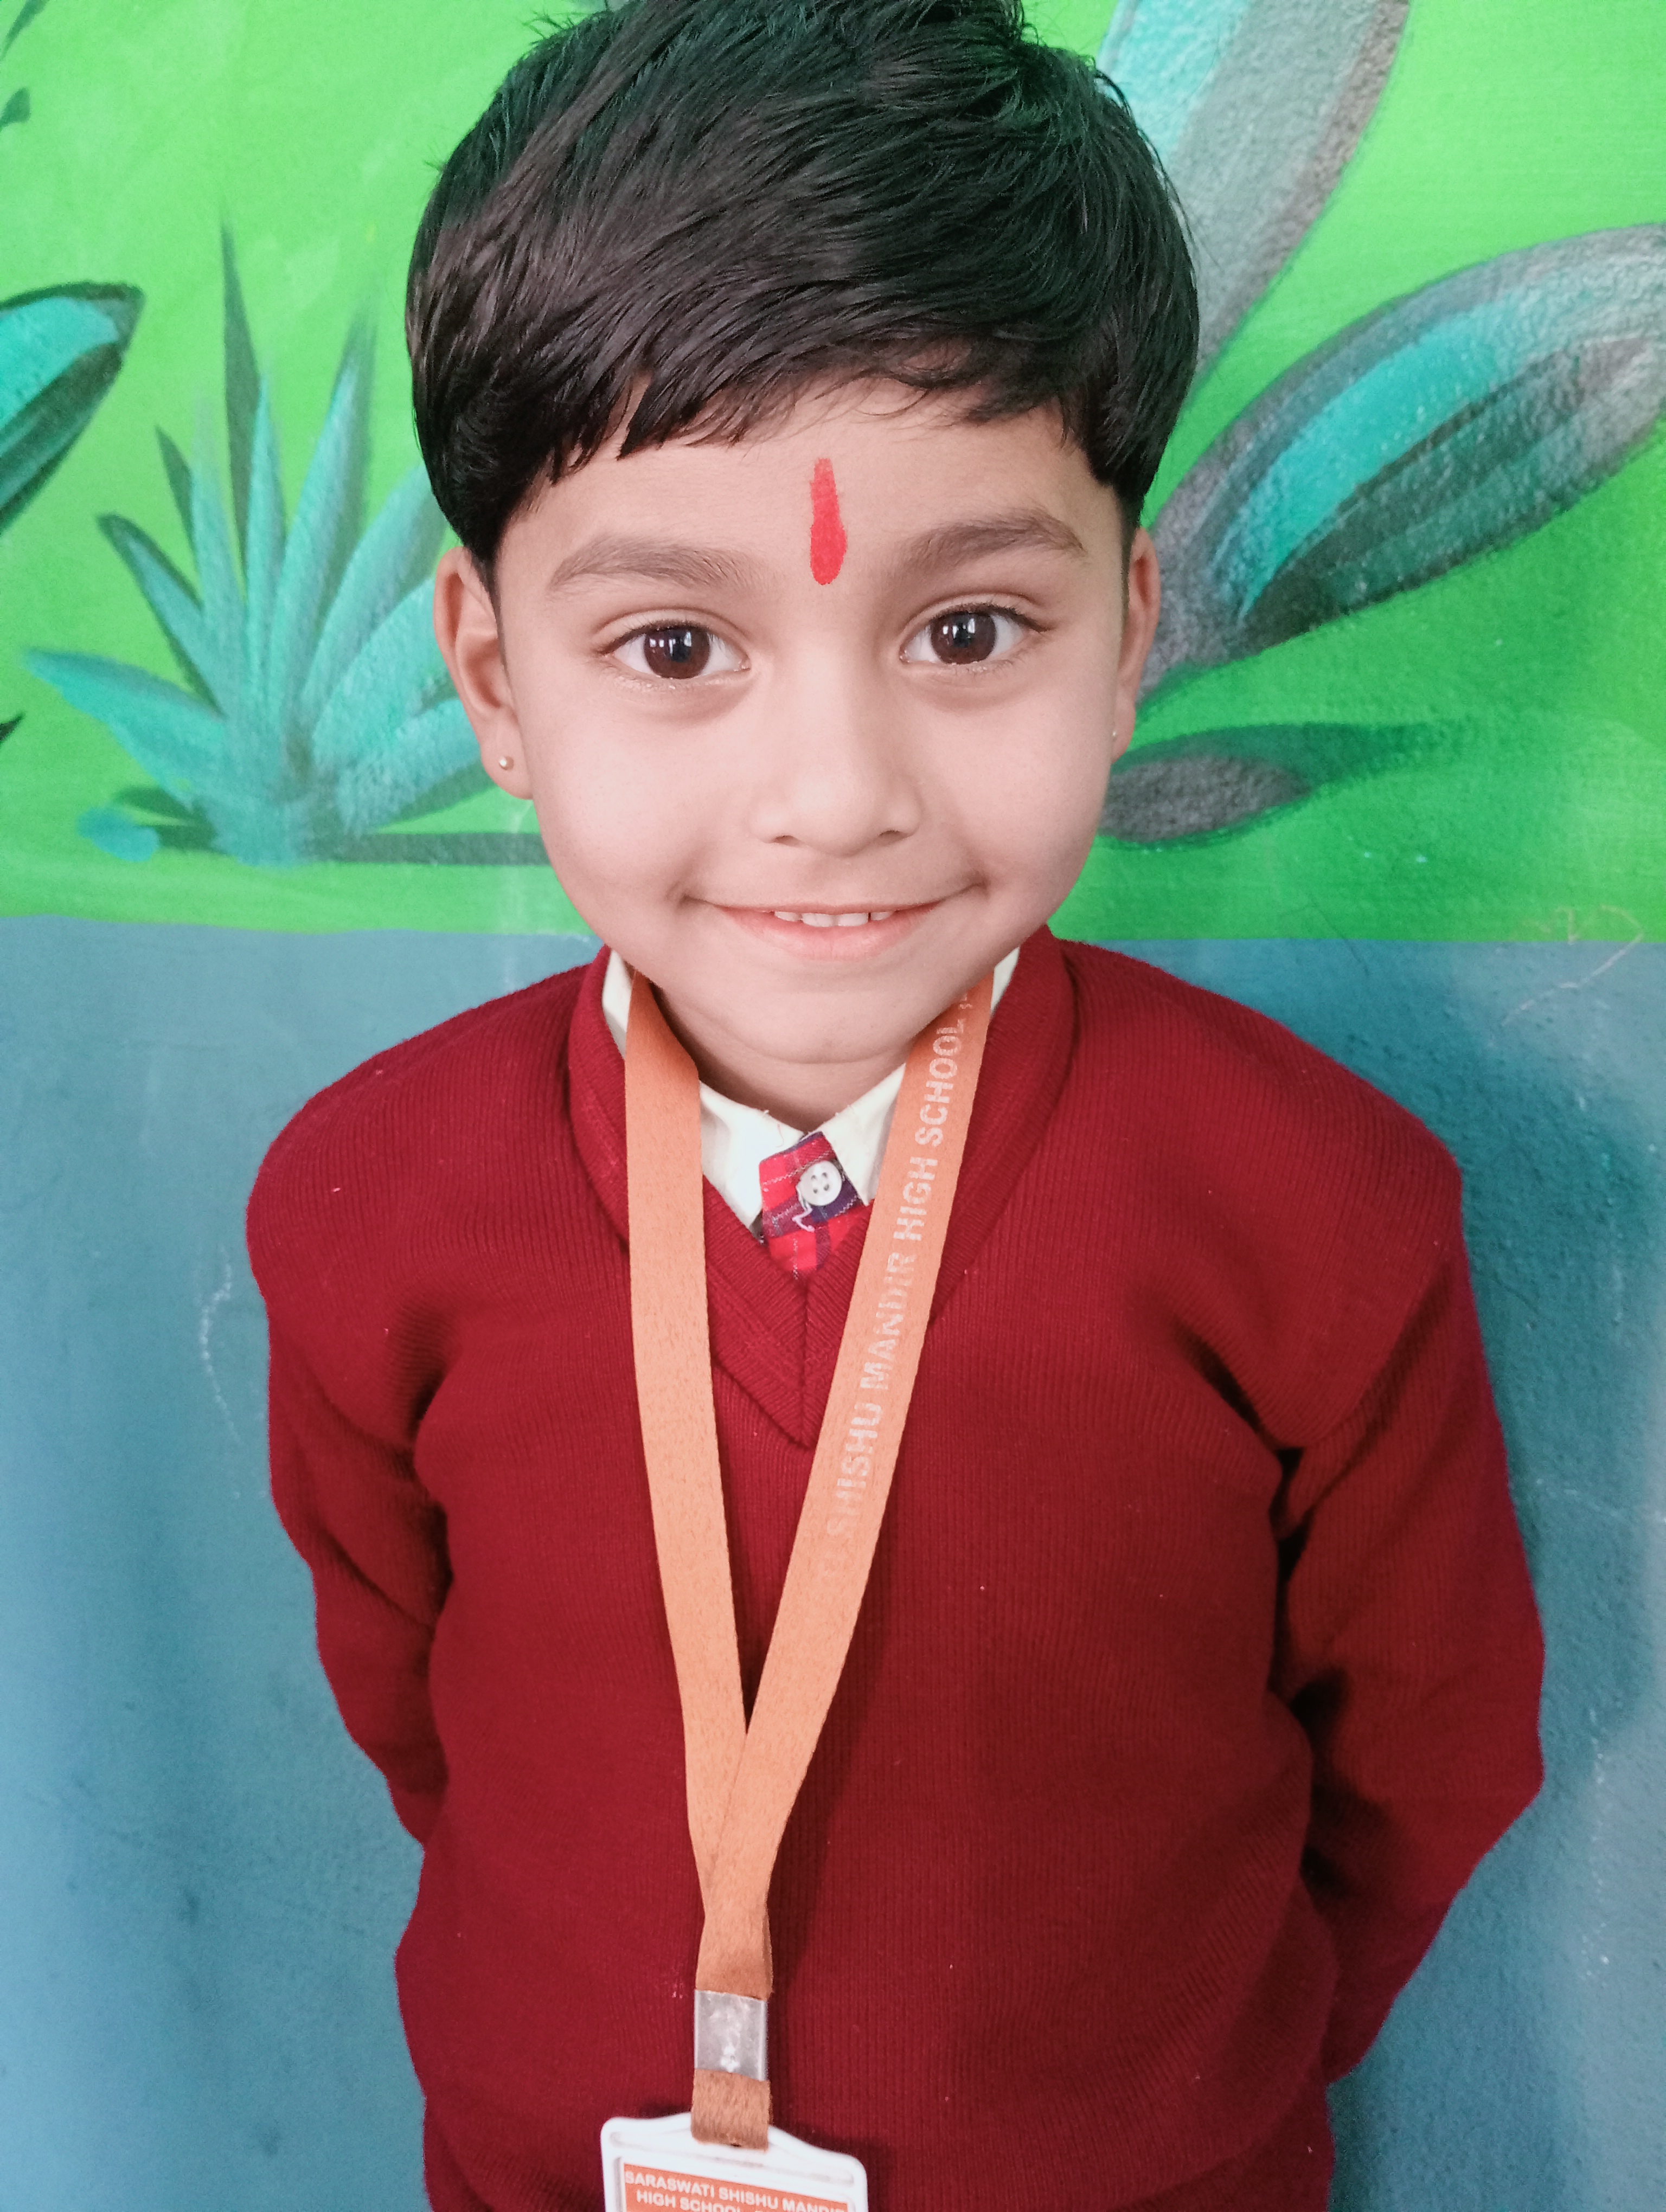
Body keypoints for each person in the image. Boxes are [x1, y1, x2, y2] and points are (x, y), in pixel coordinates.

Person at [247, 2, 1544, 2205]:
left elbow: (1429, 1753)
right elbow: (414, 1713)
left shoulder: (1318, 1210)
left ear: (1128, 633)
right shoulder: (364, 1207)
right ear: (491, 680)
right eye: (677, 647)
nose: (837, 796)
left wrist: (1175, 2082)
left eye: (969, 634)